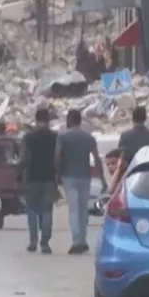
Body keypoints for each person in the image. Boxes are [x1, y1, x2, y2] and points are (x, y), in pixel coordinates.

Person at [55, 109, 106, 254]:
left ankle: (77, 241)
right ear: (80, 121)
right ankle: (82, 239)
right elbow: (96, 159)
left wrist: (57, 174)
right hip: (85, 176)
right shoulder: (89, 137)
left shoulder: (63, 137)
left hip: (69, 176)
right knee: (83, 209)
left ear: (69, 121)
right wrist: (102, 179)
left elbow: (57, 156)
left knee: (74, 209)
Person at [18, 107, 58, 253]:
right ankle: (45, 243)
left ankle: (33, 241)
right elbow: (58, 158)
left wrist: (18, 173)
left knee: (32, 210)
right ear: (48, 120)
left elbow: (23, 158)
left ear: (36, 119)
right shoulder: (54, 137)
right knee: (47, 210)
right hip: (49, 177)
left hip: (32, 177)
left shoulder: (28, 137)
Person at [112, 107, 149, 195]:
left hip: (130, 174)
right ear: (145, 118)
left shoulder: (125, 136)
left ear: (133, 119)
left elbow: (121, 156)